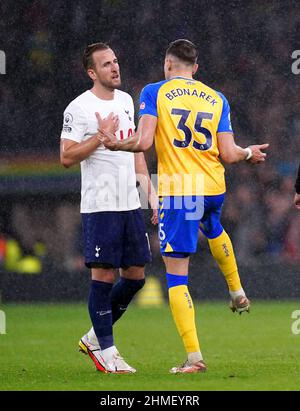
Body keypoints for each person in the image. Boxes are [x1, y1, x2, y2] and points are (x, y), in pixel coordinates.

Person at [98, 39, 269, 374]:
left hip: (180, 189)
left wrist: (116, 143)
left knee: (177, 276)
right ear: (196, 67)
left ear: (167, 64)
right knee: (214, 228)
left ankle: (194, 358)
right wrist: (250, 153)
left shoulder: (154, 92)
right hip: (214, 185)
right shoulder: (217, 97)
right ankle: (236, 290)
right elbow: (231, 153)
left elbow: (144, 142)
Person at [60, 42, 157, 374]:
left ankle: (94, 337)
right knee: (103, 275)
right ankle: (108, 351)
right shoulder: (79, 108)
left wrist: (150, 193)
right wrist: (98, 138)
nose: (115, 68)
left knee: (136, 277)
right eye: (106, 64)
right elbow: (66, 157)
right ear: (92, 72)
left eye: (115, 61)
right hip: (101, 205)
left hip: (130, 203)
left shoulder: (127, 101)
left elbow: (136, 151)